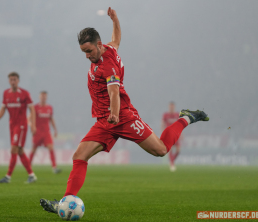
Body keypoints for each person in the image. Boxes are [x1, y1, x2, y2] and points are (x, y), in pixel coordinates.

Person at [40, 7, 209, 215]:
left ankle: (186, 118)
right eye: (84, 52)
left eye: (89, 51)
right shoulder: (109, 48)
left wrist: (114, 112)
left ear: (98, 45)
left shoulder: (108, 66)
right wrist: (115, 20)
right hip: (104, 121)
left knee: (162, 150)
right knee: (79, 155)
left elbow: (113, 92)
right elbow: (117, 38)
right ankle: (65, 201)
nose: (86, 56)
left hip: (123, 117)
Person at [0, 72, 37, 183]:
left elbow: (32, 109)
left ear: (18, 81)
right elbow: (3, 108)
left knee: (14, 149)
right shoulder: (6, 94)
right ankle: (31, 175)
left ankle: (8, 176)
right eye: (11, 79)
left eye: (15, 79)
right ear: (9, 81)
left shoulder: (24, 93)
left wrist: (33, 125)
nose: (13, 82)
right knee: (20, 151)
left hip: (21, 126)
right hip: (12, 125)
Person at [28, 91, 61, 174]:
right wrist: (32, 126)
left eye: (45, 96)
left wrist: (55, 129)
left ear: (46, 97)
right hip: (37, 132)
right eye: (42, 96)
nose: (43, 98)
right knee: (34, 149)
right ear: (39, 97)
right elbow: (28, 119)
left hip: (46, 132)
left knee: (51, 147)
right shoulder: (35, 107)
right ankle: (28, 166)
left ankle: (54, 167)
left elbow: (51, 119)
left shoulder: (49, 108)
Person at [161, 101, 181, 172]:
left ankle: (172, 161)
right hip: (169, 135)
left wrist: (181, 134)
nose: (171, 108)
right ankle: (172, 163)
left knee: (178, 150)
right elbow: (162, 124)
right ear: (169, 107)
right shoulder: (165, 115)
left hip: (176, 134)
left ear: (174, 107)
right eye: (170, 107)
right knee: (170, 150)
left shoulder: (177, 115)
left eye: (172, 107)